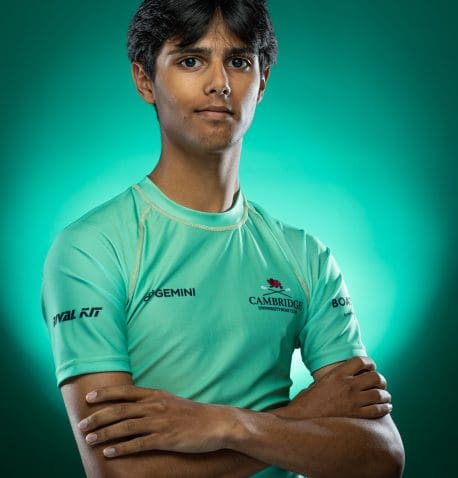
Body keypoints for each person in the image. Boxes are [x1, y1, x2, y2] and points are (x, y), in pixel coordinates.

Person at [41, 1, 405, 477]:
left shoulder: (306, 257)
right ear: (145, 80)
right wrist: (299, 415)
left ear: (263, 80)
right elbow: (121, 473)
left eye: (238, 61)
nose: (220, 83)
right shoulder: (91, 249)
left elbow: (382, 456)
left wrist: (227, 426)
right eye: (191, 60)